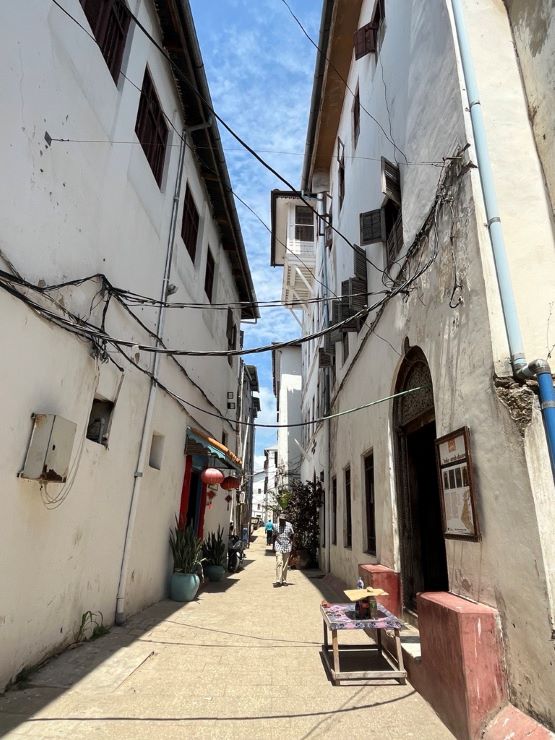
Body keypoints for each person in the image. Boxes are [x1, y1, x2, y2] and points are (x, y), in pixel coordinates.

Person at [272, 512, 294, 587]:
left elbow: (292, 535)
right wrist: (273, 547)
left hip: (287, 547)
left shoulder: (289, 525)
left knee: (285, 564)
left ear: (285, 520)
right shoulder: (276, 526)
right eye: (280, 520)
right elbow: (274, 536)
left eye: (283, 520)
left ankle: (284, 580)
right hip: (278, 546)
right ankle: (278, 580)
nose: (281, 521)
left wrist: (291, 543)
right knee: (279, 562)